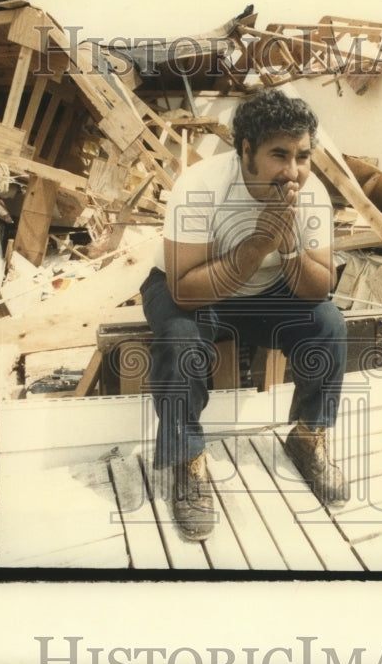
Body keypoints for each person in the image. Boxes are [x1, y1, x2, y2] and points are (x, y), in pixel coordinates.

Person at [139, 88, 349, 541]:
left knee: (329, 323)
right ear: (246, 150)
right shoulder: (199, 186)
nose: (293, 171)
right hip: (190, 286)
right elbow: (185, 289)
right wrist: (255, 245)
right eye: (279, 154)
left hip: (264, 291)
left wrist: (289, 244)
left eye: (302, 156)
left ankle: (308, 436)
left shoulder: (311, 195)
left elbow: (318, 289)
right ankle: (187, 459)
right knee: (178, 341)